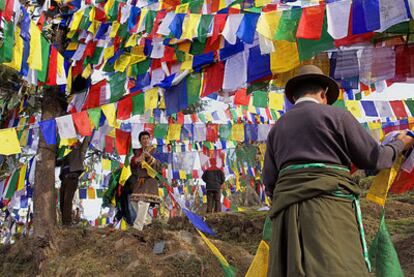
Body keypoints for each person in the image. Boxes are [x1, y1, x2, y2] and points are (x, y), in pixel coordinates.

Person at [263, 65, 414, 277]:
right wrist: (399, 145)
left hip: (287, 214)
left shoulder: (277, 129)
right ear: (323, 94)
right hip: (330, 208)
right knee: (337, 266)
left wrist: (289, 198)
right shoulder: (336, 116)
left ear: (295, 96)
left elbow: (269, 182)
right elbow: (375, 159)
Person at [127, 131, 162, 230]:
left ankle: (137, 227)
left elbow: (160, 167)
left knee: (143, 202)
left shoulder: (155, 151)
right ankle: (147, 221)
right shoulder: (137, 152)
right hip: (139, 181)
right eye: (143, 139)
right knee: (134, 201)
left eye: (147, 138)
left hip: (150, 181)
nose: (145, 140)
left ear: (149, 140)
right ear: (140, 141)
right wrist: (136, 160)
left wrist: (149, 158)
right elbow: (132, 165)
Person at [57, 139, 88, 226]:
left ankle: (67, 222)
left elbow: (85, 143)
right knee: (62, 201)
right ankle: (64, 222)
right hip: (64, 179)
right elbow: (57, 162)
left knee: (67, 200)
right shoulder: (64, 152)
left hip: (72, 177)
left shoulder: (78, 151)